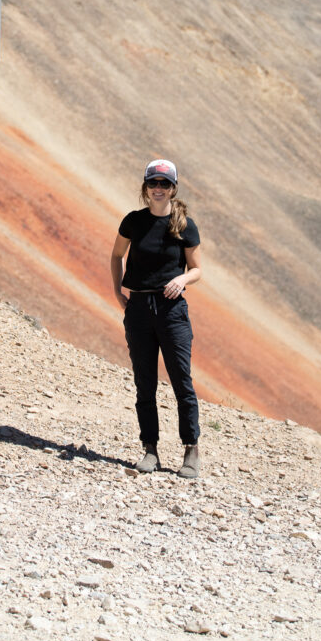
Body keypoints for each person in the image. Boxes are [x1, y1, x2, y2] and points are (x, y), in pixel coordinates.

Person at [111, 159, 202, 478]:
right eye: (153, 183)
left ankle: (191, 450)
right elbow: (116, 255)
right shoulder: (133, 221)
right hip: (138, 309)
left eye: (165, 184)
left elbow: (197, 269)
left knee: (181, 381)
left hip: (172, 311)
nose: (158, 189)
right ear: (145, 187)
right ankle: (150, 450)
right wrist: (117, 291)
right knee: (144, 382)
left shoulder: (185, 225)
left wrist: (182, 279)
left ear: (173, 188)